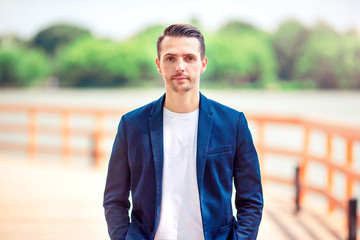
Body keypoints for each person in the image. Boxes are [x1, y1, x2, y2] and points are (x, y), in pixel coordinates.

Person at [103, 23, 263, 240]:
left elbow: (251, 200)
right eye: (170, 58)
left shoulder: (233, 123)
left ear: (202, 64)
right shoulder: (132, 125)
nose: (180, 66)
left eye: (189, 58)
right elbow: (115, 199)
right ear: (159, 65)